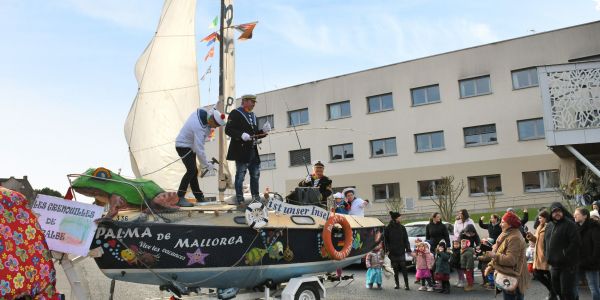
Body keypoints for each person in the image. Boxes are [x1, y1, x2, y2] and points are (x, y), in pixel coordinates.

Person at [225, 94, 271, 206]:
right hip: (241, 151)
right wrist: (241, 135)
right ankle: (240, 199)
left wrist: (263, 132)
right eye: (252, 101)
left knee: (255, 175)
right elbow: (228, 130)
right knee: (240, 175)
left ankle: (256, 197)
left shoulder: (253, 116)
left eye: (254, 102)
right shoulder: (235, 113)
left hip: (253, 150)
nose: (254, 104)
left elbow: (254, 135)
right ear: (244, 101)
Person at [175, 108, 226, 207]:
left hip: (190, 147)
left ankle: (199, 197)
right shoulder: (199, 127)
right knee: (191, 170)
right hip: (183, 146)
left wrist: (205, 163)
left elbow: (211, 111)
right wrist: (206, 164)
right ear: (211, 120)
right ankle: (179, 197)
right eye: (215, 125)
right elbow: (199, 149)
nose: (214, 128)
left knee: (194, 172)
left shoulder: (204, 114)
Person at [485, 212, 531, 300]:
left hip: (513, 277)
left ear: (510, 224)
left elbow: (511, 260)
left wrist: (495, 255)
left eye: (502, 222)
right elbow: (500, 250)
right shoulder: (506, 233)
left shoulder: (514, 238)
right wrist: (490, 265)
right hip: (508, 275)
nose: (500, 224)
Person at [544, 202, 581, 300]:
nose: (557, 213)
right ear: (551, 214)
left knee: (567, 292)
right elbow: (545, 242)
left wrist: (565, 253)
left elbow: (576, 243)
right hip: (554, 265)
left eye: (559, 211)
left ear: (562, 211)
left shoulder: (570, 224)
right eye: (554, 212)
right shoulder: (549, 226)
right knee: (557, 290)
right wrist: (546, 254)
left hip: (567, 265)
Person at [525, 210, 556, 300]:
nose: (539, 219)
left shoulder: (549, 226)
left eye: (540, 218)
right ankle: (552, 292)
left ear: (545, 218)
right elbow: (537, 240)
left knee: (548, 275)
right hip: (538, 254)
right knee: (537, 273)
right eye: (538, 218)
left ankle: (553, 294)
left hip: (546, 254)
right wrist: (531, 236)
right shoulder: (539, 227)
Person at [574, 207, 600, 300]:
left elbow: (597, 246)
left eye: (577, 214)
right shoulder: (575, 227)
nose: (574, 216)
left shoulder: (594, 227)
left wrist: (592, 260)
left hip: (591, 263)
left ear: (585, 216)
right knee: (573, 287)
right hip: (577, 262)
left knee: (594, 288)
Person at [384, 211, 412, 290]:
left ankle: (407, 284)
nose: (401, 218)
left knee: (404, 268)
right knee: (395, 268)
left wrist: (408, 249)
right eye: (399, 217)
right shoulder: (388, 228)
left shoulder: (402, 227)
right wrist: (387, 249)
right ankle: (397, 284)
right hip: (392, 251)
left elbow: (406, 239)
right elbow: (386, 240)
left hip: (401, 250)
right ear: (396, 218)